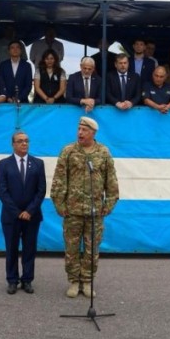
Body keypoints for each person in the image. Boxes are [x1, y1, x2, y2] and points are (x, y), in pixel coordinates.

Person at [50, 116, 119, 298]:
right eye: (79, 129)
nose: (80, 133)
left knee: (92, 249)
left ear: (93, 133)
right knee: (72, 248)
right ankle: (73, 280)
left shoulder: (103, 153)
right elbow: (59, 179)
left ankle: (87, 281)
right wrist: (59, 203)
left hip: (95, 211)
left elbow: (111, 181)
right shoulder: (68, 151)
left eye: (84, 130)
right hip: (72, 210)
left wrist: (109, 204)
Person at [0, 131, 46, 295]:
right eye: (20, 141)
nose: (24, 144)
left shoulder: (38, 163)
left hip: (32, 216)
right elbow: (2, 191)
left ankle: (27, 280)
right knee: (11, 249)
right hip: (11, 216)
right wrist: (18, 212)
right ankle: (12, 280)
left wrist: (29, 211)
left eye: (26, 141)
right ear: (13, 144)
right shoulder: (4, 164)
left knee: (29, 249)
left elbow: (41, 191)